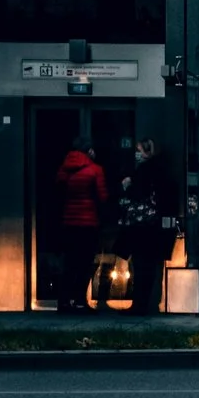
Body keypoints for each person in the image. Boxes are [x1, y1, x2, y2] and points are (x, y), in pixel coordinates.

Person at [48, 136, 108, 313]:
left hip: (68, 223)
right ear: (89, 151)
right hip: (88, 224)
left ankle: (64, 301)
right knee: (85, 264)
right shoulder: (95, 170)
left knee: (69, 263)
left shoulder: (63, 170)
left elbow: (57, 196)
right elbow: (103, 197)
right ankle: (80, 300)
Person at [116, 138, 174, 317]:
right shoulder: (161, 171)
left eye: (139, 150)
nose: (136, 153)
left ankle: (139, 305)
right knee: (149, 267)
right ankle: (147, 303)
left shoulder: (144, 172)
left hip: (142, 227)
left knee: (141, 267)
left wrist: (127, 185)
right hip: (152, 227)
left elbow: (137, 194)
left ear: (147, 152)